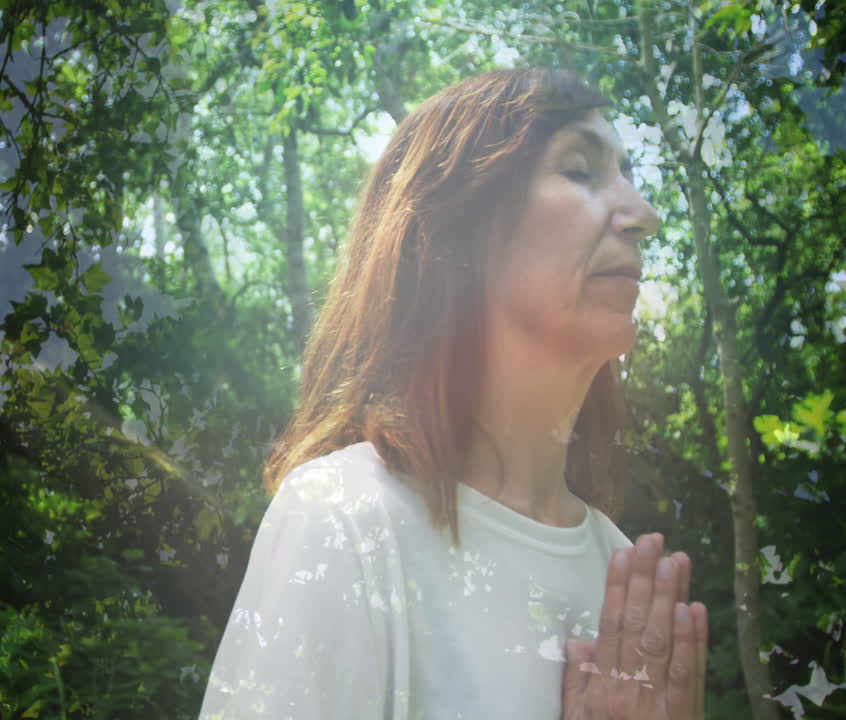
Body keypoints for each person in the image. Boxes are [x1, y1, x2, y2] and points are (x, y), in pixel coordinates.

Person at [199, 68, 708, 720]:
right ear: (457, 232)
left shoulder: (621, 570)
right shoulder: (346, 517)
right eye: (580, 171)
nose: (644, 216)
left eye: (628, 176)